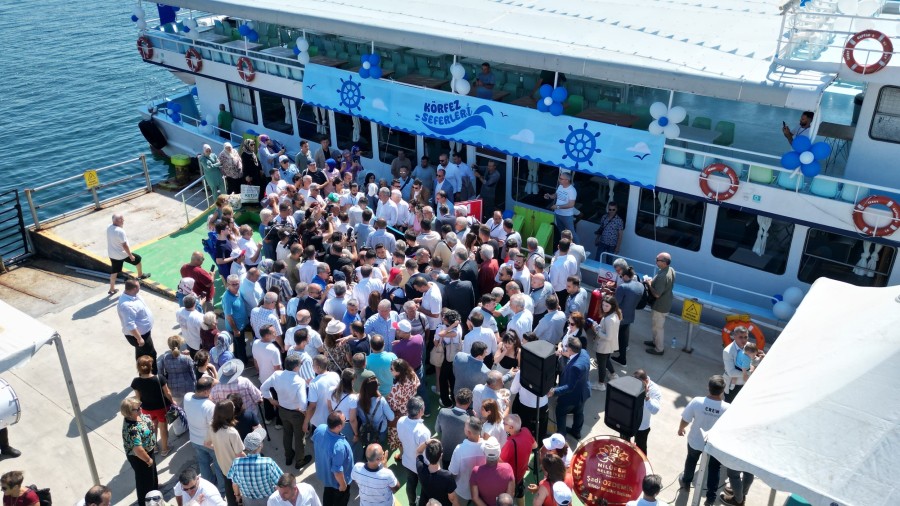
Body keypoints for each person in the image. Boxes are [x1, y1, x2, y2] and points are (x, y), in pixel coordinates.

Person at [678, 375, 729, 506]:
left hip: (695, 441)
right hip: (714, 445)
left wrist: (681, 429)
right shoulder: (727, 408)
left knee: (691, 460)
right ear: (723, 390)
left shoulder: (697, 401)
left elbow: (686, 418)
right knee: (714, 468)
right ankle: (710, 497)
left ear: (708, 387)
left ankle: (686, 483)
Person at [260, 354, 311, 469]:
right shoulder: (300, 381)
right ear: (296, 367)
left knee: (287, 434)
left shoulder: (277, 375)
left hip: (282, 411)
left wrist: (271, 400)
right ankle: (299, 460)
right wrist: (304, 413)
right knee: (299, 437)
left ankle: (288, 456)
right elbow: (303, 403)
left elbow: (263, 388)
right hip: (296, 414)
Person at [184, 377, 227, 492]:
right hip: (209, 442)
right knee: (218, 465)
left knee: (203, 463)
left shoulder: (187, 396)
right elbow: (214, 427)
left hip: (194, 439)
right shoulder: (209, 406)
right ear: (206, 391)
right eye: (211, 389)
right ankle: (222, 488)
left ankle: (208, 484)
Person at [130, 355, 174, 457]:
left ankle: (154, 447)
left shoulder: (136, 381)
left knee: (152, 427)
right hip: (161, 409)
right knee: (163, 428)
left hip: (146, 410)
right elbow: (167, 393)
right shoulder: (159, 378)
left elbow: (138, 398)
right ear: (151, 366)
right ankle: (165, 449)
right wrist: (173, 402)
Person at [548, 339, 590, 439]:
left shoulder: (575, 367)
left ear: (570, 350)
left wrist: (554, 391)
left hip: (571, 397)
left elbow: (569, 386)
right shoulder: (584, 353)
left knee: (560, 412)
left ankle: (561, 436)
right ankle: (576, 432)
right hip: (583, 392)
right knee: (579, 412)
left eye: (566, 347)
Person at [120, 397, 159, 505]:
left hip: (148, 451)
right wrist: (148, 460)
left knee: (152, 475)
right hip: (140, 458)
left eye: (139, 407)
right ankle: (145, 502)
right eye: (137, 409)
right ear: (128, 413)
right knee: (144, 481)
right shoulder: (132, 429)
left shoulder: (137, 416)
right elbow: (138, 450)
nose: (140, 409)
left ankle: (154, 491)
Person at [228, 428, 281, 506]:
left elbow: (235, 484)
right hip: (268, 500)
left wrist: (238, 496)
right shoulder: (268, 462)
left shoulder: (236, 463)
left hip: (248, 501)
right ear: (260, 445)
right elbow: (279, 483)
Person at [312, 412, 354, 506]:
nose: (346, 421)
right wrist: (343, 485)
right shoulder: (339, 447)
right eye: (344, 420)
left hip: (327, 477)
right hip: (337, 483)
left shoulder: (320, 429)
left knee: (328, 497)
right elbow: (337, 472)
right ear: (339, 427)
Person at [208, 400, 246, 506]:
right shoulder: (232, 432)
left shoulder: (211, 426)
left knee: (229, 489)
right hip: (236, 469)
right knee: (240, 491)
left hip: (223, 466)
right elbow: (239, 454)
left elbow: (207, 443)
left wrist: (219, 448)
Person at [107, 213, 149, 295]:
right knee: (138, 259)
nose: (123, 221)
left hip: (112, 254)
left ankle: (111, 289)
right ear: (116, 221)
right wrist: (130, 255)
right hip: (121, 254)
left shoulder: (109, 227)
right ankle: (140, 276)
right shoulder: (120, 231)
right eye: (121, 219)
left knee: (114, 272)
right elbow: (124, 245)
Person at [448, 417, 487, 505]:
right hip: (480, 492)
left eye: (465, 427)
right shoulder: (487, 446)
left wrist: (450, 489)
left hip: (462, 492)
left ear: (469, 432)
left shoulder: (459, 449)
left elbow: (453, 473)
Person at [500, 414, 536, 506]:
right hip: (521, 472)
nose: (503, 424)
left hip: (510, 477)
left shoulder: (510, 444)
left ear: (511, 428)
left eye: (504, 423)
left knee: (505, 499)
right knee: (520, 491)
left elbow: (500, 461)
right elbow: (535, 445)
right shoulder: (526, 430)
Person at [387, 359, 421, 453]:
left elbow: (393, 406)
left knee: (400, 437)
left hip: (400, 415)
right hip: (412, 409)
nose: (390, 370)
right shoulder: (412, 374)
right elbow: (417, 385)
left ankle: (402, 454)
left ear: (398, 372)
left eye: (392, 369)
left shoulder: (396, 387)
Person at [644, 252, 675, 356]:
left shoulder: (663, 276)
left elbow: (657, 294)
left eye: (657, 260)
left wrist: (649, 284)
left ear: (664, 263)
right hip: (665, 303)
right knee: (656, 327)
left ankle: (659, 349)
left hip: (660, 306)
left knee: (658, 328)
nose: (656, 261)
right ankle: (655, 342)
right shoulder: (670, 270)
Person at [253, 324, 284, 427]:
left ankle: (268, 418)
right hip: (274, 381)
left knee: (267, 399)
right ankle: (279, 422)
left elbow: (255, 361)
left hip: (263, 378)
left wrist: (260, 372)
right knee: (278, 400)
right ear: (267, 335)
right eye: (273, 333)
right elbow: (278, 369)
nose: (276, 334)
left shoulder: (255, 343)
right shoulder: (273, 350)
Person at [470, 439, 515, 506]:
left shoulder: (475, 471)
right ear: (499, 453)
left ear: (484, 453)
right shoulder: (508, 468)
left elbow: (475, 498)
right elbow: (510, 495)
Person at [613, 267, 643, 366]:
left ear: (626, 276)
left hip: (619, 316)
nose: (621, 278)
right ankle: (622, 354)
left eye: (621, 276)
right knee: (623, 336)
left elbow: (615, 303)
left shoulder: (623, 287)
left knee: (614, 336)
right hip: (630, 315)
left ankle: (620, 359)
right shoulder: (640, 285)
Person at [590, 295, 620, 392]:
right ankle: (613, 374)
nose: (604, 307)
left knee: (601, 365)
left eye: (607, 306)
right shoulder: (615, 315)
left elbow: (608, 336)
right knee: (606, 360)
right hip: (609, 346)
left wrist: (596, 330)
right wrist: (599, 327)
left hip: (603, 346)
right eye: (603, 305)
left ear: (612, 306)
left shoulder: (609, 319)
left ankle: (601, 384)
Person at [416, 439, 458, 506]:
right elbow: (452, 498)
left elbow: (418, 451)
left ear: (426, 455)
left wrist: (427, 442)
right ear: (441, 456)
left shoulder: (421, 468)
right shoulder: (447, 476)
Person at [357, 376, 395, 448]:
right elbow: (391, 417)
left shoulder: (358, 400)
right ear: (375, 388)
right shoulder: (381, 400)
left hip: (365, 431)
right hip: (380, 431)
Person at [543, 172, 579, 244]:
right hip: (558, 213)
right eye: (559, 178)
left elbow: (571, 204)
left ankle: (578, 247)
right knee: (561, 232)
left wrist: (558, 207)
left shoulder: (572, 190)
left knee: (571, 233)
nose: (559, 180)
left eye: (561, 178)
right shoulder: (560, 186)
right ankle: (564, 246)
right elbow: (556, 195)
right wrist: (549, 196)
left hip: (567, 215)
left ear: (567, 180)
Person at [723, 325, 752, 403]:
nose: (744, 340)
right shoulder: (727, 351)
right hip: (732, 387)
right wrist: (749, 373)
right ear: (734, 337)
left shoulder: (749, 346)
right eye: (740, 337)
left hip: (746, 385)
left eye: (745, 337)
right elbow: (731, 372)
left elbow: (752, 360)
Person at [548, 240, 577, 310]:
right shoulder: (572, 258)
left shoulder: (555, 265)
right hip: (568, 288)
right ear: (569, 248)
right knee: (564, 306)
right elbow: (574, 272)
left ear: (558, 247)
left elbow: (553, 283)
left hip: (558, 291)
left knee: (557, 308)